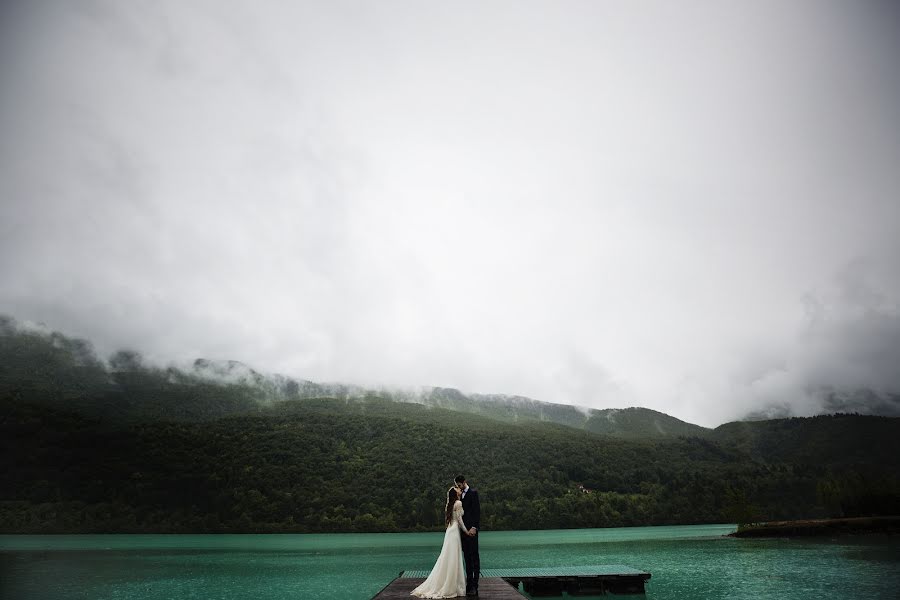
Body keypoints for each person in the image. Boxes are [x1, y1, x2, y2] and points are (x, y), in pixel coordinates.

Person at [410, 485, 472, 598]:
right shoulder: (458, 503)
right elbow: (459, 519)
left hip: (450, 531)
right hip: (454, 532)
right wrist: (466, 531)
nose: (459, 489)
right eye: (457, 489)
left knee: (448, 557)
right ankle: (452, 586)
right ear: (455, 493)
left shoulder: (450, 505)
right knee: (453, 557)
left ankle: (449, 583)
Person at [454, 474, 480, 596]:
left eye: (459, 485)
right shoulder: (459, 497)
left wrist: (474, 527)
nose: (458, 487)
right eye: (457, 485)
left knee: (475, 558)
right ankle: (469, 585)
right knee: (467, 559)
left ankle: (475, 585)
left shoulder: (473, 493)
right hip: (463, 533)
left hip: (472, 531)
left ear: (464, 482)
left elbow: (477, 512)